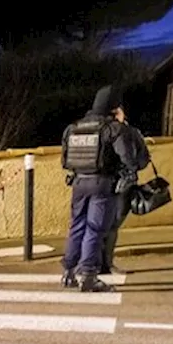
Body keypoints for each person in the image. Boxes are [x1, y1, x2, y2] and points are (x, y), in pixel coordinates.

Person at [59, 85, 140, 292]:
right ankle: (88, 276)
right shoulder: (112, 128)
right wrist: (123, 125)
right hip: (102, 185)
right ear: (114, 108)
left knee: (76, 226)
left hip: (78, 183)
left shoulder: (74, 127)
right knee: (95, 230)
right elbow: (129, 160)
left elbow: (65, 160)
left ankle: (68, 273)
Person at [100, 106, 151, 275]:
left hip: (100, 183)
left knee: (96, 223)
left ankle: (93, 263)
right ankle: (107, 264)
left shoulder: (100, 131)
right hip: (123, 183)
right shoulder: (130, 132)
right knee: (113, 225)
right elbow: (143, 161)